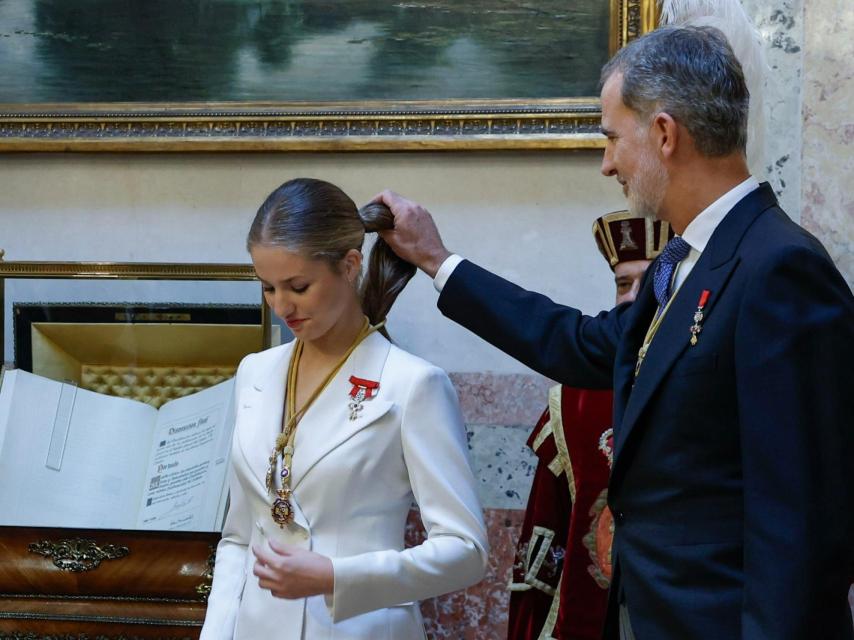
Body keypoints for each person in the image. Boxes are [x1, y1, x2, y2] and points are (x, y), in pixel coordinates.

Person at [373, 26, 854, 640]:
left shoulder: (779, 267)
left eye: (610, 138)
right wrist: (438, 261)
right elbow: (585, 346)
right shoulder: (685, 261)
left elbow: (804, 523)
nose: (606, 164)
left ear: (663, 133)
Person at [199, 178, 488, 639]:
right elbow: (239, 537)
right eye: (268, 288)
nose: (281, 306)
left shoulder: (412, 384)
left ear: (350, 265)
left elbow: (466, 550)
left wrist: (337, 576)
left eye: (298, 286)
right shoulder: (255, 372)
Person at [508, 213, 672, 640]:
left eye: (647, 281)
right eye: (622, 284)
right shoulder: (574, 400)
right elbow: (543, 540)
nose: (632, 298)